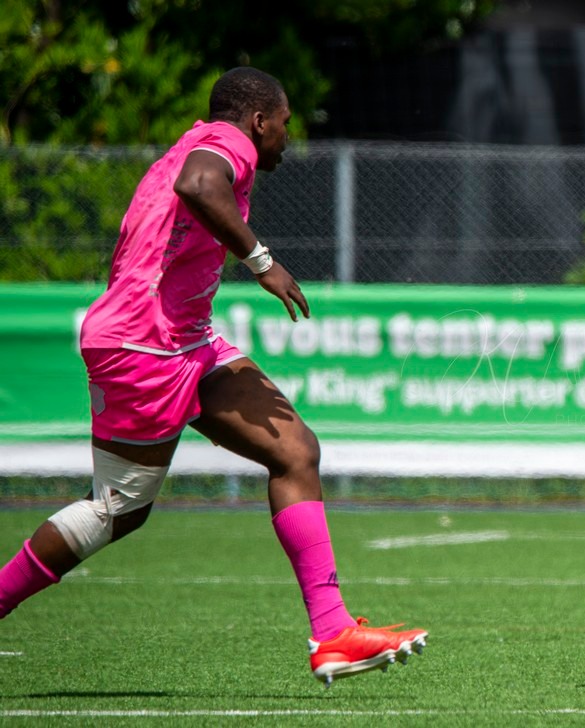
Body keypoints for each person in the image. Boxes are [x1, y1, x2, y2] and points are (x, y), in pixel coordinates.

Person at [0, 66, 427, 687]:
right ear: (258, 122)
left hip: (185, 340)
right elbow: (200, 185)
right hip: (142, 346)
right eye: (283, 125)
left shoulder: (200, 138)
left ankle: (333, 631)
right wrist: (263, 262)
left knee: (296, 451)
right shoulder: (228, 148)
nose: (286, 137)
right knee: (118, 510)